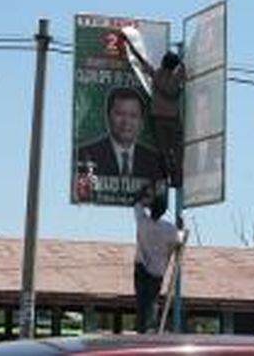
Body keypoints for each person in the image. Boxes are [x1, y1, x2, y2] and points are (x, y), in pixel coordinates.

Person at [122, 32, 185, 187]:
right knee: (177, 150)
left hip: (159, 119)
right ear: (173, 66)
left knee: (164, 151)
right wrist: (182, 64)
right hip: (173, 119)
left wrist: (129, 44)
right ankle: (177, 177)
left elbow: (142, 61)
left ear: (163, 63)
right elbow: (182, 71)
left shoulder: (156, 75)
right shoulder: (177, 77)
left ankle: (168, 175)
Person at [77, 87, 162, 179]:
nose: (126, 122)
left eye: (133, 116)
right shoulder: (85, 154)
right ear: (108, 116)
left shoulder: (154, 161)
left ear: (141, 122)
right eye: (120, 114)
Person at [133, 184, 183, 333]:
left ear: (151, 209)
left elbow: (136, 202)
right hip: (157, 271)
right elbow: (179, 242)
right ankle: (149, 326)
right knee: (152, 301)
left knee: (141, 302)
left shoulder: (142, 222)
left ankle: (143, 328)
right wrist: (180, 226)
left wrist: (145, 192)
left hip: (141, 269)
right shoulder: (169, 229)